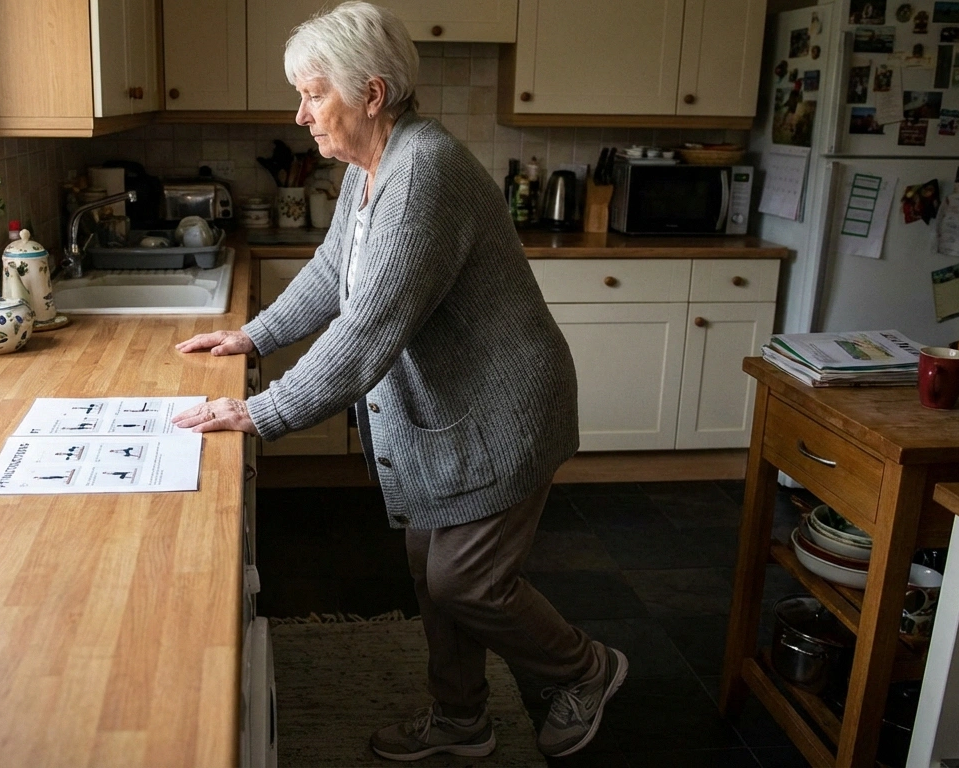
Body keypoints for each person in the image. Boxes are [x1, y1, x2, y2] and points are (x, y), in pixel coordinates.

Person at [170, 2, 626, 760]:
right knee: (429, 572)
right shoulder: (371, 164)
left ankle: (588, 668)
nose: (301, 112)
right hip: (443, 415)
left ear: (372, 94)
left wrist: (262, 410)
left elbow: (365, 330)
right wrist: (253, 335)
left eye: (315, 93)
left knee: (468, 585)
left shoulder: (422, 175)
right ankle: (462, 720)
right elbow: (332, 274)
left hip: (501, 414)